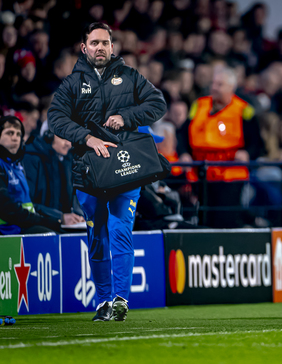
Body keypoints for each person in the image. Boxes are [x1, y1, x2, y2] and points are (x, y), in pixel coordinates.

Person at [47, 23, 166, 322]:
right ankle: (102, 302)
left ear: (113, 47)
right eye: (94, 42)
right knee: (97, 236)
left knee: (120, 229)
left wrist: (125, 117)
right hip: (88, 170)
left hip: (125, 168)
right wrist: (87, 138)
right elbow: (56, 118)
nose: (100, 47)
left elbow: (158, 104)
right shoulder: (72, 84)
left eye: (105, 43)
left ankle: (121, 299)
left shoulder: (130, 77)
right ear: (84, 47)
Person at [181, 67, 263, 228]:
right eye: (213, 83)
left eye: (220, 84)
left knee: (225, 219)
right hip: (202, 174)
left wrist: (247, 153)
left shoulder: (244, 110)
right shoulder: (199, 105)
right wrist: (184, 153)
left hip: (230, 175)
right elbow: (183, 133)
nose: (214, 88)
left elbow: (257, 143)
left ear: (231, 88)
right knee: (205, 220)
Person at [0, 116, 62, 235]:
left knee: (67, 232)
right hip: (8, 230)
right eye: (9, 133)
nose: (15, 138)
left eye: (18, 134)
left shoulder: (18, 166)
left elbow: (29, 205)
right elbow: (6, 208)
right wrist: (42, 221)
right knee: (50, 235)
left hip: (23, 226)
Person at [22, 130, 85, 226]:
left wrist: (78, 216)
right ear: (49, 136)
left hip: (59, 224)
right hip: (38, 224)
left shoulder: (66, 160)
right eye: (63, 138)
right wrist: (60, 217)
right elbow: (28, 205)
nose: (68, 144)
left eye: (70, 139)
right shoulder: (31, 159)